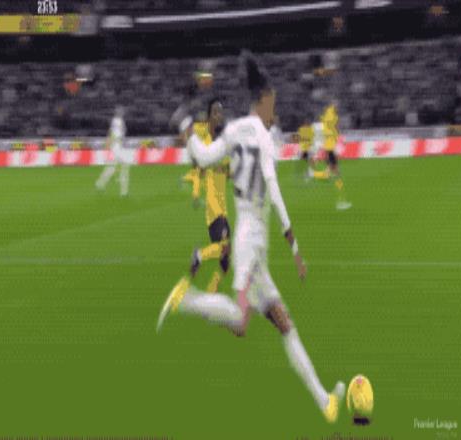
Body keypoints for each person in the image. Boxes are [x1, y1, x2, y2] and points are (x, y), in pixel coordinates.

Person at [157, 52, 345, 423]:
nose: (275, 110)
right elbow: (272, 187)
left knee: (284, 324)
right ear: (262, 100)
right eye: (272, 103)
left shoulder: (234, 129)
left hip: (250, 232)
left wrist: (185, 127)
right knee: (242, 323)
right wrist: (294, 245)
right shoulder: (262, 135)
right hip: (251, 240)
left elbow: (204, 158)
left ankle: (325, 402)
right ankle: (187, 300)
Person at [188, 98, 231, 293]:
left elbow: (228, 172)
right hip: (214, 208)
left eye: (221, 112)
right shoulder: (204, 144)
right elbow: (198, 170)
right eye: (215, 112)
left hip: (223, 207)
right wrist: (196, 192)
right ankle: (199, 255)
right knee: (224, 248)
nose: (219, 115)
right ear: (208, 116)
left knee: (225, 262)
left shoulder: (223, 145)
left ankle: (211, 291)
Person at [95, 105, 129, 197]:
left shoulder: (116, 121)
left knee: (112, 167)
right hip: (117, 147)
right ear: (118, 112)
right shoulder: (118, 121)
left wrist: (109, 143)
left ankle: (100, 183)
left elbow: (111, 133)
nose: (123, 112)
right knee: (124, 167)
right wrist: (113, 142)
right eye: (121, 110)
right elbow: (115, 134)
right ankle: (123, 192)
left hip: (116, 147)